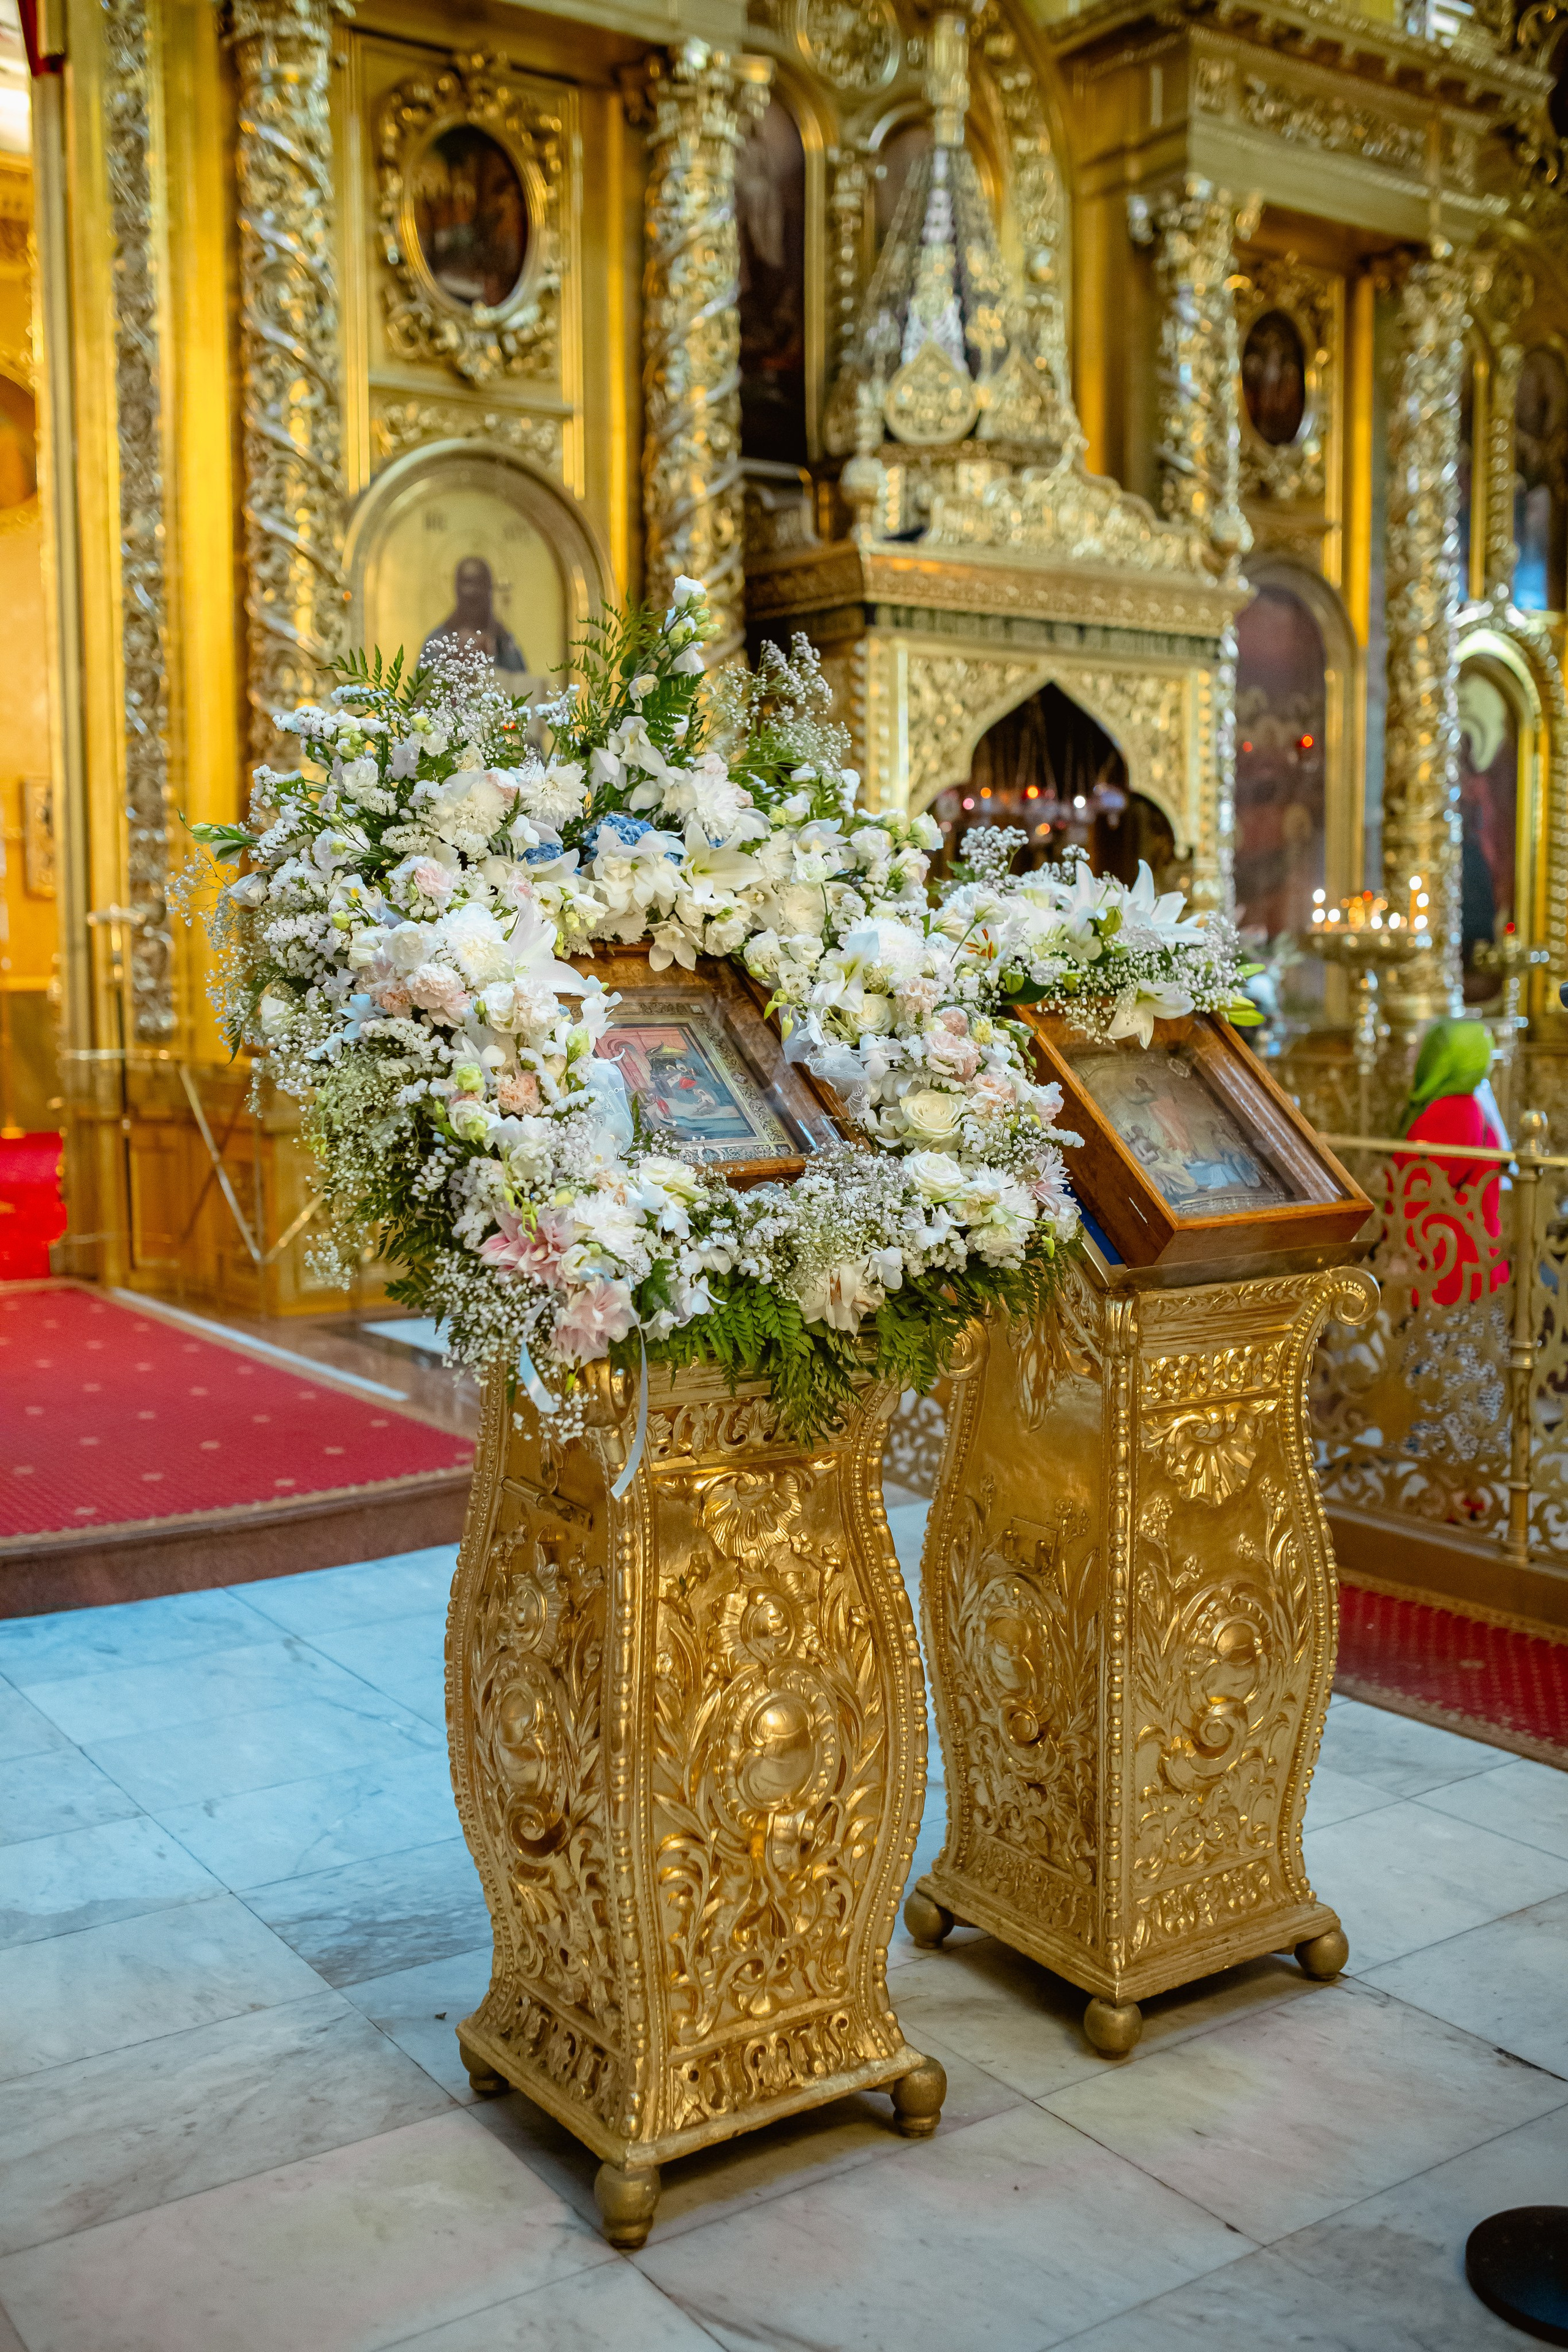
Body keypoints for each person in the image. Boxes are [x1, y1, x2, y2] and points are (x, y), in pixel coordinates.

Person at [1392, 1019, 1510, 1310]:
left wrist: (1398, 1255)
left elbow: (1417, 1198)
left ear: (1443, 1057)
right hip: (1473, 1268)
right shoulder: (1471, 1104)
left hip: (1445, 1275)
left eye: (1422, 1049)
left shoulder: (1447, 1114)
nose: (1412, 1056)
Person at [420, 557, 527, 685]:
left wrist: (491, 659)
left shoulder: (504, 641)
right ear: (457, 588)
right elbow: (421, 693)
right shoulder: (438, 641)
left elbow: (522, 690)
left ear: (489, 589)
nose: (472, 592)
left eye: (479, 583)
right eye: (466, 583)